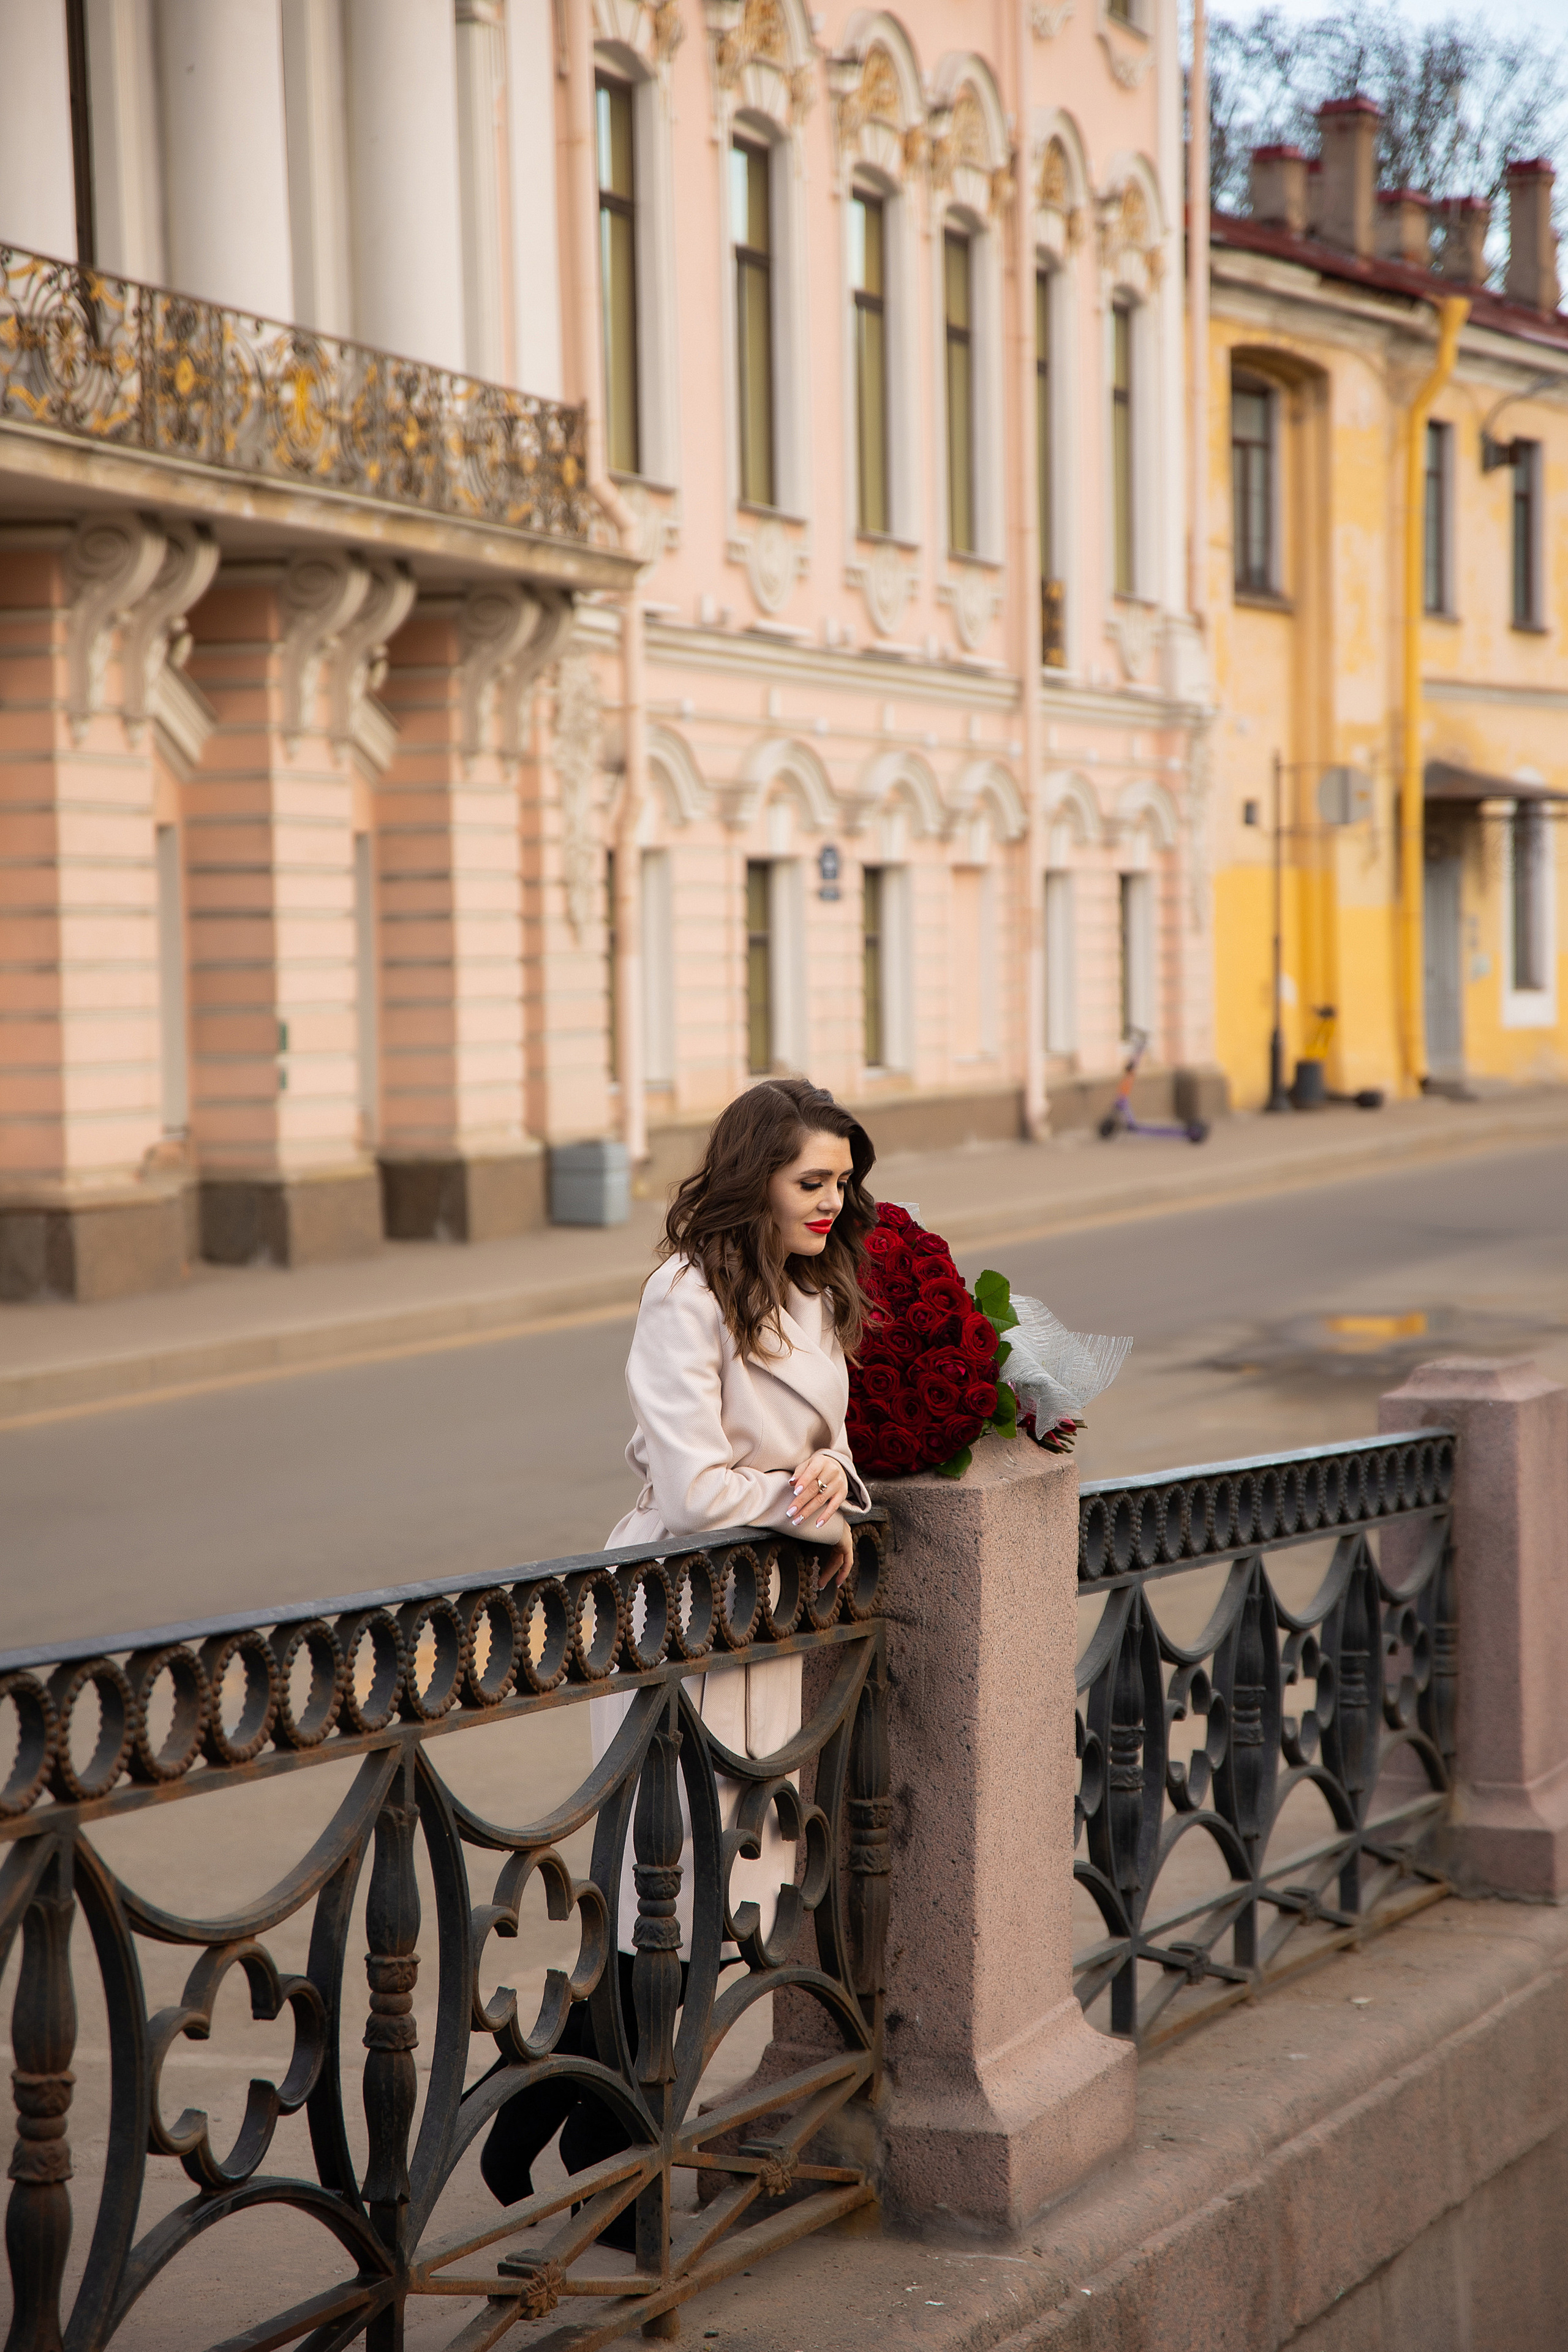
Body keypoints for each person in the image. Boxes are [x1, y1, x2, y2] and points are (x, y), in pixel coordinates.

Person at [481, 1077, 876, 2233]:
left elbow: (829, 1443)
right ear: (757, 1177)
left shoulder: (812, 1287)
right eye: (813, 1181)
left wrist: (831, 1475)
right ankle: (609, 2157)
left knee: (731, 1893)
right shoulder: (684, 1294)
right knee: (673, 1891)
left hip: (761, 1622)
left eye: (843, 1183)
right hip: (678, 1611)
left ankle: (561, 2105)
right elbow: (698, 1492)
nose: (833, 1202)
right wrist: (811, 1509)